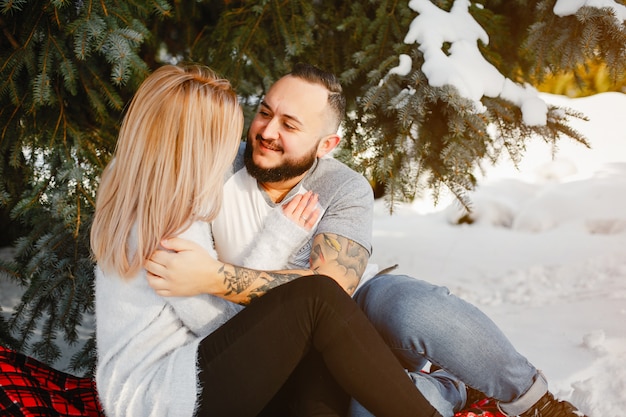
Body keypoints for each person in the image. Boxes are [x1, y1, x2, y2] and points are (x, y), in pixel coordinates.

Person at [145, 63, 588, 417]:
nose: (267, 131)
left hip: (358, 312)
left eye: (289, 124)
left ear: (326, 144)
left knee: (415, 307)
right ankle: (449, 389)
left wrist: (213, 276)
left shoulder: (342, 187)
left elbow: (328, 292)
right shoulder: (220, 166)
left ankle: (536, 403)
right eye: (264, 111)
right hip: (278, 348)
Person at [90, 63, 445, 417]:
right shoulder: (168, 216)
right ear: (201, 141)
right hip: (162, 396)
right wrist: (278, 237)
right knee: (317, 299)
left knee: (314, 352)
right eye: (226, 137)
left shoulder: (137, 183)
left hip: (169, 383)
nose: (237, 147)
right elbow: (225, 324)